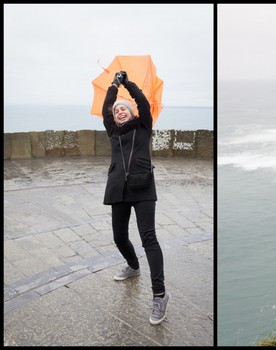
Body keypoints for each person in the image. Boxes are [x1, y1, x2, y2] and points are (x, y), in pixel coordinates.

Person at [102, 70, 170, 325]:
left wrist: (127, 83)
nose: (120, 111)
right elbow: (106, 107)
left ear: (132, 113)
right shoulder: (112, 131)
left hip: (142, 188)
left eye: (124, 109)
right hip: (118, 188)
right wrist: (113, 86)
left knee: (148, 238)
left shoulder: (143, 126)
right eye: (118, 110)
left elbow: (142, 101)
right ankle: (133, 265)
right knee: (119, 237)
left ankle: (160, 295)